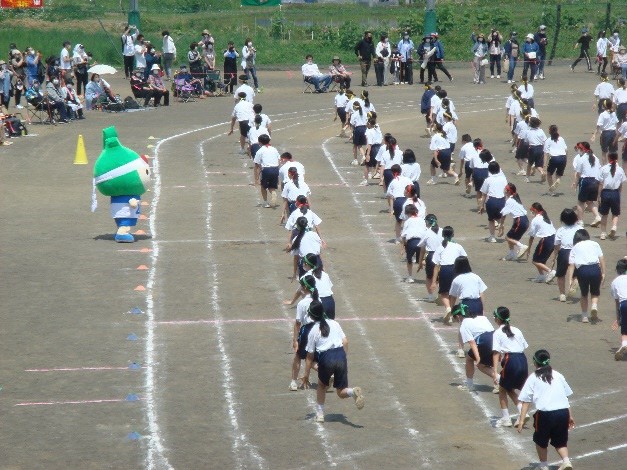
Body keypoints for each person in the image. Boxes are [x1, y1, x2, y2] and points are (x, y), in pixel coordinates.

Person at [301, 301, 364, 423]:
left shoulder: (313, 330)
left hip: (327, 358)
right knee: (341, 392)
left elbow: (309, 357)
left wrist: (306, 376)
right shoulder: (335, 323)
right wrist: (343, 358)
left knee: (321, 385)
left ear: (312, 316)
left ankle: (320, 414)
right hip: (340, 355)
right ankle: (352, 392)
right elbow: (345, 341)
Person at [517, 350, 575, 470]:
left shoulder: (533, 377)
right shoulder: (558, 375)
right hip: (563, 412)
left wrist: (521, 421)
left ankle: (543, 466)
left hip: (545, 415)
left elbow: (526, 401)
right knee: (560, 441)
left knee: (540, 441)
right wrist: (570, 416)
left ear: (535, 361)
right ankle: (566, 461)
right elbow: (565, 396)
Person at [491, 307, 530, 429]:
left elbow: (496, 353)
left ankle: (506, 418)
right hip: (522, 360)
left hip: (510, 361)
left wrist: (494, 371)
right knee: (509, 388)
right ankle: (520, 409)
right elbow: (524, 346)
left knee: (502, 389)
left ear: (497, 318)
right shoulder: (517, 330)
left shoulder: (497, 333)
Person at [451, 303, 495, 392]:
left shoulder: (464, 325)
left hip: (484, 341)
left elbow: (472, 343)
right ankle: (499, 381)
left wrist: (478, 358)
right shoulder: (482, 317)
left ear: (459, 316)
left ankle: (469, 385)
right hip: (495, 340)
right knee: (483, 365)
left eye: (455, 318)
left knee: (469, 359)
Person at [567, 229, 605, 323]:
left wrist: (570, 280)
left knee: (584, 294)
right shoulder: (594, 244)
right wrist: (603, 272)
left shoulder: (575, 247)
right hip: (595, 269)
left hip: (582, 271)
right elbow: (602, 259)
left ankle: (584, 316)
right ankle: (594, 306)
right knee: (595, 292)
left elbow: (571, 265)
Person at [289, 275, 319, 391]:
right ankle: (328, 374)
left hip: (307, 330)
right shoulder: (318, 299)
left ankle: (293, 382)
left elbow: (297, 323)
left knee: (298, 355)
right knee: (312, 358)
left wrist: (295, 340)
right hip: (317, 329)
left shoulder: (302, 303)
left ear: (304, 287)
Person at [432, 226, 467, 317]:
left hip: (444, 270)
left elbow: (436, 265)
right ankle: (451, 312)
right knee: (453, 292)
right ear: (453, 235)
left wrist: (433, 282)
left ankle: (448, 308)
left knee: (444, 293)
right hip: (456, 270)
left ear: (442, 235)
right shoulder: (458, 246)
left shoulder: (440, 247)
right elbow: (464, 259)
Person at [551, 209, 582, 303]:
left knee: (560, 274)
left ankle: (562, 294)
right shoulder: (580, 228)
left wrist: (553, 258)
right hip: (576, 251)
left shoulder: (560, 230)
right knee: (576, 272)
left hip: (564, 252)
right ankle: (574, 282)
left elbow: (557, 246)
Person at [448, 256, 487, 326]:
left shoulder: (457, 279)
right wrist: (483, 308)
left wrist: (451, 309)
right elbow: (481, 294)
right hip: (478, 303)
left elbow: (453, 297)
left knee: (466, 327)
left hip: (466, 305)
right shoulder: (476, 276)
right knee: (478, 326)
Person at [524, 202, 557, 284]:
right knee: (540, 260)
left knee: (535, 261)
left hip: (546, 240)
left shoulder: (535, 220)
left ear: (534, 210)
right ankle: (542, 276)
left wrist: (529, 249)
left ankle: (550, 271)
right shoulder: (546, 218)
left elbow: (531, 236)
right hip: (553, 239)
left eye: (531, 211)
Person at [597, 152, 626, 240]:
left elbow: (601, 184)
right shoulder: (620, 169)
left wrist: (599, 195)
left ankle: (603, 233)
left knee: (604, 214)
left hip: (605, 192)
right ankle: (614, 227)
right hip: (615, 193)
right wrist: (618, 194)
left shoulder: (604, 168)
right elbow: (621, 184)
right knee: (615, 213)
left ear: (609, 158)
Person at [498, 183, 529, 261]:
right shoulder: (516, 199)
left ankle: (521, 246)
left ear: (508, 191)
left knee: (507, 238)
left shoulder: (510, 200)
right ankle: (512, 254)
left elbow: (503, 214)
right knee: (511, 238)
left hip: (520, 221)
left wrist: (501, 225)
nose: (504, 190)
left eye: (505, 189)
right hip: (525, 221)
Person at [574, 142, 602, 226]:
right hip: (595, 181)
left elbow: (578, 173)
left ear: (582, 149)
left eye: (579, 148)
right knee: (590, 201)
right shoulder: (595, 158)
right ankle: (597, 216)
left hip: (585, 181)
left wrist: (576, 183)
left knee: (580, 202)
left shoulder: (581, 159)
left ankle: (580, 221)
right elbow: (599, 169)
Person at [480, 161, 508, 243]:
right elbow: (506, 191)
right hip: (502, 200)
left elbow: (484, 195)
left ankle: (492, 237)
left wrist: (482, 206)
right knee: (499, 218)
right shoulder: (503, 179)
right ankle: (500, 225)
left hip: (491, 201)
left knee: (491, 220)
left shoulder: (487, 180)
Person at [401, 203, 427, 283]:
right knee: (422, 260)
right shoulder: (422, 220)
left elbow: (403, 235)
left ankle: (410, 277)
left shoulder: (408, 221)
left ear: (408, 213)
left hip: (411, 242)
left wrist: (403, 247)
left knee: (409, 260)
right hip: (421, 242)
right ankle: (431, 275)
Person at [591, 99, 618, 164]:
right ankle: (614, 166)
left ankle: (605, 166)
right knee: (613, 152)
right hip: (613, 133)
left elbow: (598, 126)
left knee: (604, 152)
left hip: (605, 134)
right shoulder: (613, 113)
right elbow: (616, 123)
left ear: (603, 106)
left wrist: (594, 135)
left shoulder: (602, 114)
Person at [544, 125, 568, 196]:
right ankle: (558, 180)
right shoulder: (561, 139)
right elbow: (566, 150)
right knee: (558, 174)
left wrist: (544, 165)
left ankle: (552, 191)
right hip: (563, 157)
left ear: (549, 131)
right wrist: (566, 159)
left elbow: (546, 153)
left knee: (549, 174)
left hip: (554, 158)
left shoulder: (548, 140)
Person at [611, 258, 627, 360]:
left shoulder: (615, 282)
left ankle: (624, 344)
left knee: (625, 330)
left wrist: (618, 319)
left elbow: (616, 302)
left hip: (624, 304)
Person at [524, 117, 547, 183]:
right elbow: (545, 140)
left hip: (532, 148)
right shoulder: (541, 131)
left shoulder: (528, 131)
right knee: (539, 165)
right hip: (540, 148)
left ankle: (527, 178)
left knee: (529, 164)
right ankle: (542, 172)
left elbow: (526, 141)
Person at [362, 117, 382, 185]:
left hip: (373, 148)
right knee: (379, 165)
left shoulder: (370, 132)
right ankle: (382, 180)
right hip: (379, 148)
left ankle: (365, 180)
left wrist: (367, 154)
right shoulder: (378, 130)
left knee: (367, 165)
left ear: (369, 124)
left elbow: (370, 144)